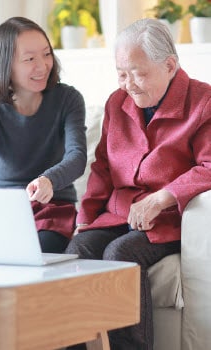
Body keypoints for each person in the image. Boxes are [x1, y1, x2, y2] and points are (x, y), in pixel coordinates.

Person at [66, 18, 211, 350]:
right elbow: (102, 166)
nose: (128, 83)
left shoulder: (203, 101)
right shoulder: (117, 103)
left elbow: (209, 166)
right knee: (77, 252)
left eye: (138, 72)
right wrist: (85, 217)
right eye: (121, 72)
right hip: (119, 213)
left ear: (170, 65)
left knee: (119, 254)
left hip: (167, 221)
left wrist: (162, 198)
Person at [0, 17, 87, 254]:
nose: (42, 66)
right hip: (4, 209)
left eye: (47, 54)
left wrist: (49, 180)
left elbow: (77, 157)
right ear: (6, 65)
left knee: (38, 251)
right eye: (29, 59)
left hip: (53, 208)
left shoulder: (68, 100)